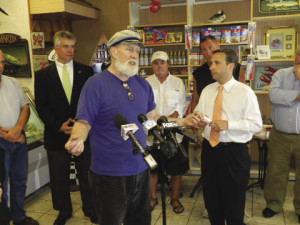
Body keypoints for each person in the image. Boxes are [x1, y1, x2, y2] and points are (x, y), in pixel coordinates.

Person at [64, 29, 200, 225]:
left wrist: (183, 122)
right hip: (108, 174)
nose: (134, 55)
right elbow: (84, 121)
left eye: (137, 51)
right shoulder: (95, 84)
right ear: (113, 51)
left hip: (140, 169)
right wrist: (77, 138)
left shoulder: (142, 84)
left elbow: (152, 118)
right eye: (129, 49)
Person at [194, 48, 262, 225]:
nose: (211, 67)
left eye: (217, 63)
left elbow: (256, 124)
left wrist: (229, 124)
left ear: (230, 66)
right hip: (210, 150)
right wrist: (198, 120)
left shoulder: (244, 92)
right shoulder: (208, 90)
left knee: (233, 204)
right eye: (211, 63)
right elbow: (198, 112)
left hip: (234, 153)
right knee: (212, 200)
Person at [34, 31, 96, 225]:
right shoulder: (43, 75)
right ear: (56, 48)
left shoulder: (86, 72)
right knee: (59, 177)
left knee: (86, 174)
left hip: (82, 133)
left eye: (72, 46)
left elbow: (91, 102)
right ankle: (64, 211)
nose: (70, 50)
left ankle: (91, 209)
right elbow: (41, 106)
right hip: (56, 133)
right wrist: (59, 126)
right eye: (66, 46)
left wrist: (79, 125)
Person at [146, 51, 188, 213]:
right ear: (152, 66)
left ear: (168, 64)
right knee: (153, 168)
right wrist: (156, 124)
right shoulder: (146, 83)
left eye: (162, 62)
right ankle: (152, 197)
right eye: (155, 63)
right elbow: (144, 107)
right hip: (152, 134)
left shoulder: (178, 82)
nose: (159, 66)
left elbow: (180, 108)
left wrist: (164, 123)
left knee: (176, 170)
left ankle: (175, 198)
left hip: (173, 134)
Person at [0, 50, 38, 225]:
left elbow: (25, 108)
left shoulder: (12, 82)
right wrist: (9, 135)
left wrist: (17, 130)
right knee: (2, 186)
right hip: (2, 142)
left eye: (1, 62)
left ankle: (19, 217)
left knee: (20, 180)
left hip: (18, 139)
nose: (0, 66)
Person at [262, 47, 300, 223]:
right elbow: (274, 95)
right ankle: (274, 204)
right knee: (276, 172)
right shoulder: (281, 74)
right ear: (296, 57)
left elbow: (281, 96)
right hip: (280, 134)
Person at [191, 35, 246, 112]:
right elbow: (195, 99)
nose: (208, 52)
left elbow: (242, 94)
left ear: (218, 46)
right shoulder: (198, 73)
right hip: (207, 118)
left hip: (232, 114)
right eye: (204, 50)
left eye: (210, 47)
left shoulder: (235, 68)